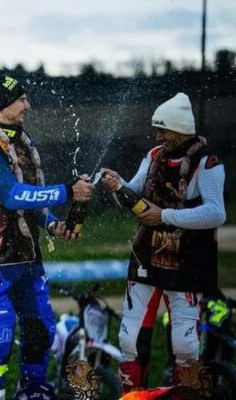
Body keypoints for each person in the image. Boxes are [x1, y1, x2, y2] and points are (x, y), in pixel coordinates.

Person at [0, 72, 95, 400]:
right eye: (21, 99)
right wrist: (67, 191)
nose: (27, 105)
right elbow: (11, 195)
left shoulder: (21, 138)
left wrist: (51, 225)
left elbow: (32, 198)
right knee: (0, 333)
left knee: (41, 330)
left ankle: (32, 391)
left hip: (28, 257)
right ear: (1, 105)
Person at [100, 92, 226, 395]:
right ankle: (132, 395)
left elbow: (216, 212)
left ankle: (187, 394)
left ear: (181, 128)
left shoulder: (207, 163)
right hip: (145, 258)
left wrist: (165, 215)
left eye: (163, 129)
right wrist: (118, 187)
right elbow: (132, 194)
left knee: (185, 344)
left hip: (187, 263)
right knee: (129, 339)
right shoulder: (154, 155)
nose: (157, 135)